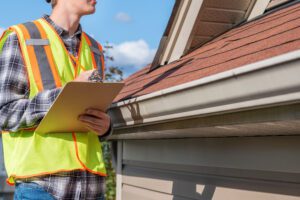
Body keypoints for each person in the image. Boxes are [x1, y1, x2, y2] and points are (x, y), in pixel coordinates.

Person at [0, 0, 112, 199]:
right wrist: (66, 93)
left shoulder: (95, 49)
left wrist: (106, 126)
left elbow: (97, 109)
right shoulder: (21, 37)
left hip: (91, 188)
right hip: (41, 188)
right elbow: (4, 112)